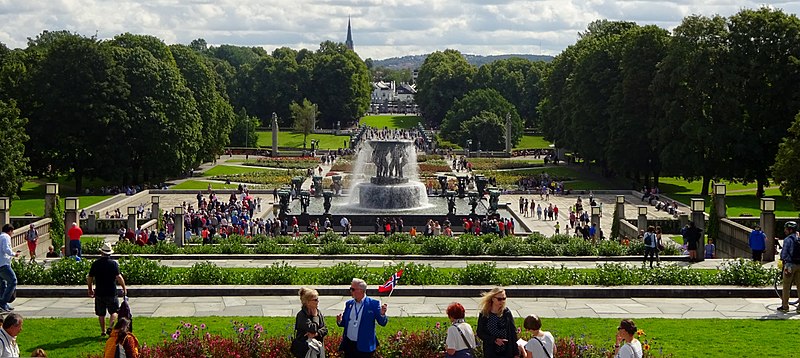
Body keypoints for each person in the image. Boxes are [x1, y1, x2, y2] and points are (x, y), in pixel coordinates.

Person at [336, 278, 388, 357]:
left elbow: (382, 323)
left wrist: (382, 314)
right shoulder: (349, 304)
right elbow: (344, 323)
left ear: (361, 290)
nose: (350, 291)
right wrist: (339, 321)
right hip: (349, 345)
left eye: (352, 289)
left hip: (365, 346)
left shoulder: (373, 304)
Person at [87, 243, 128, 336]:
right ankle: (110, 326)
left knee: (101, 314)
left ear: (101, 252)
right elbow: (119, 277)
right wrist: (124, 288)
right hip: (111, 292)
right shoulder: (113, 264)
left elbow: (90, 278)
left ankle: (103, 331)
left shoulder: (96, 264)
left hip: (99, 292)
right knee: (114, 311)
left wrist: (90, 288)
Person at [476, 288, 521, 358]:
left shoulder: (506, 313)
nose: (502, 301)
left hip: (507, 351)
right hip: (491, 351)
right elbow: (480, 332)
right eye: (499, 299)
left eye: (504, 298)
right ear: (493, 299)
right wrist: (494, 340)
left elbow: (513, 333)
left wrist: (516, 353)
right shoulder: (484, 314)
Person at [294, 287, 327, 358]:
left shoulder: (318, 312)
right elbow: (312, 328)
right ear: (308, 302)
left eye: (317, 299)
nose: (318, 301)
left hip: (318, 349)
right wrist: (315, 317)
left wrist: (316, 334)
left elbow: (325, 329)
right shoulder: (302, 315)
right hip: (305, 351)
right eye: (315, 300)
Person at [778, 221, 800, 313]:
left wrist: (782, 260)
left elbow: (784, 253)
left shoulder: (788, 239)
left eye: (786, 229)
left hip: (790, 265)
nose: (785, 231)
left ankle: (785, 306)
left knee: (786, 286)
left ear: (790, 230)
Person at [0, 224, 19, 312]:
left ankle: (3, 304)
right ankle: (3, 303)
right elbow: (6, 249)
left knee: (3, 284)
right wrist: (14, 254)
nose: (13, 233)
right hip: (4, 264)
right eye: (12, 231)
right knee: (13, 281)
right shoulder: (6, 237)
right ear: (10, 231)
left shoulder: (0, 236)